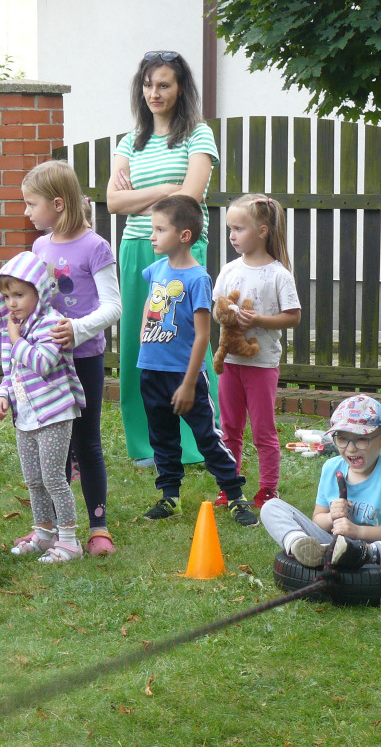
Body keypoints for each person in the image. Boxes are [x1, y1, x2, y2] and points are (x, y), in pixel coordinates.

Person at [107, 51, 220, 467]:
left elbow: (189, 199)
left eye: (164, 84)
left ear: (180, 88)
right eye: (148, 84)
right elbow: (114, 202)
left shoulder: (198, 135)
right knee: (141, 345)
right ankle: (147, 445)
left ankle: (200, 441)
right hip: (137, 248)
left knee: (186, 342)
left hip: (184, 250)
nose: (155, 93)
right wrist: (166, 188)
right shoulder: (130, 142)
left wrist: (153, 192)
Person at [138, 195, 258, 527]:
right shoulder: (156, 270)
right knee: (161, 438)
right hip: (151, 371)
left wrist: (190, 383)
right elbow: (151, 310)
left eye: (160, 230)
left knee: (207, 437)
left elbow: (203, 336)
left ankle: (235, 496)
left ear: (184, 235)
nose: (152, 236)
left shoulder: (198, 278)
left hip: (184, 375)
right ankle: (170, 498)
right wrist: (143, 347)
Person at [26, 160, 121, 556]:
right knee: (53, 446)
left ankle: (98, 527)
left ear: (59, 204)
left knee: (86, 444)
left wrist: (77, 329)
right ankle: (52, 530)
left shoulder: (96, 247)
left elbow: (113, 306)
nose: (27, 212)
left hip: (83, 359)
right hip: (48, 365)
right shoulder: (39, 247)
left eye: (32, 204)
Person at [260, 394, 381, 570]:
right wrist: (331, 518)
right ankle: (303, 548)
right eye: (342, 439)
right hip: (331, 543)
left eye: (361, 439)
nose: (351, 449)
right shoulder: (331, 468)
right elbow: (318, 519)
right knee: (271, 507)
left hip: (377, 547)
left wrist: (357, 532)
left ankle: (367, 555)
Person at [0, 251, 87, 564]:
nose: (12, 303)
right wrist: (3, 395)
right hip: (26, 416)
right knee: (33, 479)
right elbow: (11, 371)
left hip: (54, 413)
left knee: (54, 479)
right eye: (6, 296)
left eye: (19, 295)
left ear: (39, 291)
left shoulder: (52, 324)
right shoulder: (12, 329)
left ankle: (69, 541)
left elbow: (43, 364)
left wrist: (17, 340)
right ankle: (44, 533)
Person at [212, 194, 301, 509]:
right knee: (229, 427)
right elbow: (217, 307)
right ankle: (229, 486)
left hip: (262, 365)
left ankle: (267, 491)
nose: (233, 236)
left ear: (263, 231)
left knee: (263, 430)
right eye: (230, 229)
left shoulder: (278, 274)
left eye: (239, 229)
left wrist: (260, 319)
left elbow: (294, 316)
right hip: (231, 362)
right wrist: (226, 314)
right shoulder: (230, 270)